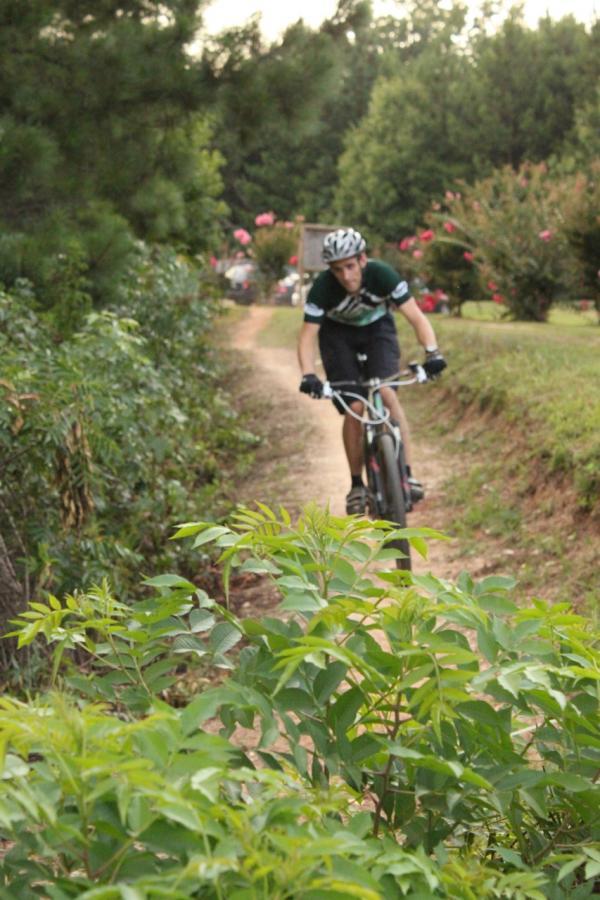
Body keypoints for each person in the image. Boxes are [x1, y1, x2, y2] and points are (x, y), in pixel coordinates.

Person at [297, 227, 446, 515]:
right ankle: (356, 485)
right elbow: (306, 337)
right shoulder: (322, 289)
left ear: (363, 260)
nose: (346, 276)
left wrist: (432, 353)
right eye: (338, 270)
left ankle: (407, 473)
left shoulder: (383, 275)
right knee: (354, 404)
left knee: (387, 392)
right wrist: (308, 375)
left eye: (350, 266)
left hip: (378, 331)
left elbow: (415, 316)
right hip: (337, 337)